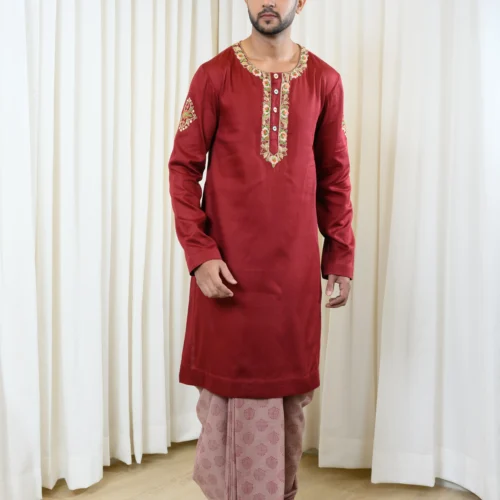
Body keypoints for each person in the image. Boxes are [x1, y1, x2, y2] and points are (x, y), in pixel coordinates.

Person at [168, 0, 355, 497]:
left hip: (293, 278)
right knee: (224, 402)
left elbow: (335, 176)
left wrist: (340, 254)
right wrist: (199, 254)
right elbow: (183, 169)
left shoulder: (325, 81)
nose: (266, 2)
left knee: (288, 404)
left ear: (301, 2)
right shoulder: (214, 76)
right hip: (226, 274)